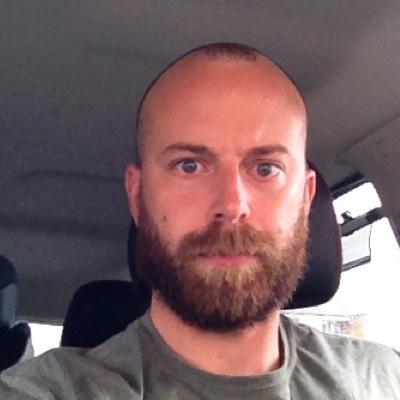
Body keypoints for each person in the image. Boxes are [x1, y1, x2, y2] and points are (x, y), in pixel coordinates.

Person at [1, 43, 399, 399]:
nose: (232, 204)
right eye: (189, 165)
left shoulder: (384, 378)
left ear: (305, 199)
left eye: (266, 169)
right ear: (138, 196)